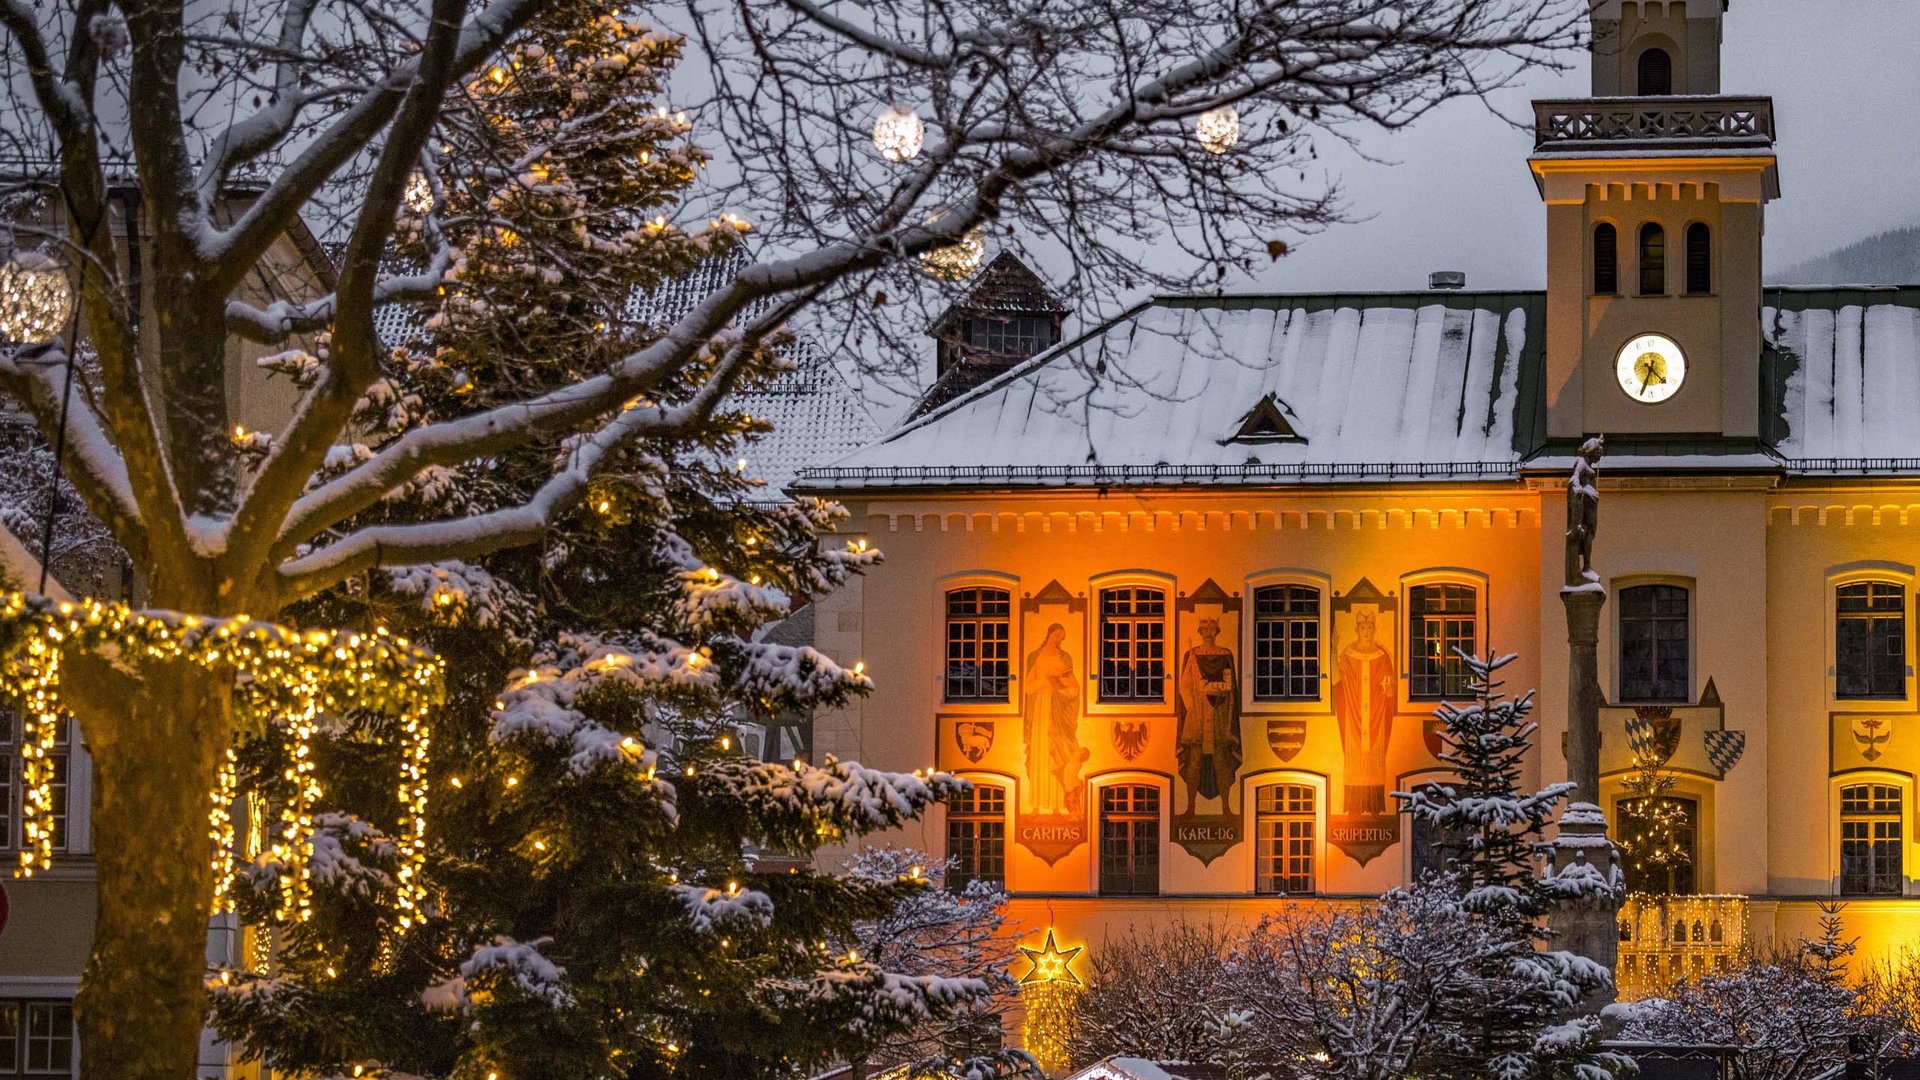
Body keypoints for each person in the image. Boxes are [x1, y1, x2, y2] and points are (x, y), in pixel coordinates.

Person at [1176, 617, 1241, 816]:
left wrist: (1220, 691)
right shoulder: (1192, 654)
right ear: (1200, 630)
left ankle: (1226, 807)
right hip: (1198, 713)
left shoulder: (1225, 654)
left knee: (1221, 760)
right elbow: (1184, 686)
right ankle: (1190, 806)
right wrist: (1192, 705)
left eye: (1212, 627)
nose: (1208, 631)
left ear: (1217, 630)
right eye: (1204, 628)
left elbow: (1230, 686)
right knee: (1195, 760)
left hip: (1219, 713)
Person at [1334, 608, 1397, 815]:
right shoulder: (1348, 654)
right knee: (1354, 760)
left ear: (1374, 629)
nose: (1366, 631)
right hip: (1353, 715)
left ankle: (1374, 806)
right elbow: (1338, 681)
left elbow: (1390, 687)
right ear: (1357, 629)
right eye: (1363, 627)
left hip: (1376, 714)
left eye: (1370, 627)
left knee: (1374, 761)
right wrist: (1333, 650)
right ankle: (1354, 807)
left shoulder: (1382, 655)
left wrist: (1388, 690)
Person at [1022, 623, 1086, 815]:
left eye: (1062, 637)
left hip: (1058, 712)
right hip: (1040, 711)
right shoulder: (1035, 657)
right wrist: (1046, 680)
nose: (1058, 640)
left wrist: (1062, 685)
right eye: (1056, 635)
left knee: (1057, 757)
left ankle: (1057, 805)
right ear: (1049, 634)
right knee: (1040, 755)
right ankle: (1035, 805)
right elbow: (1028, 688)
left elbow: (1074, 688)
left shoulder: (1065, 658)